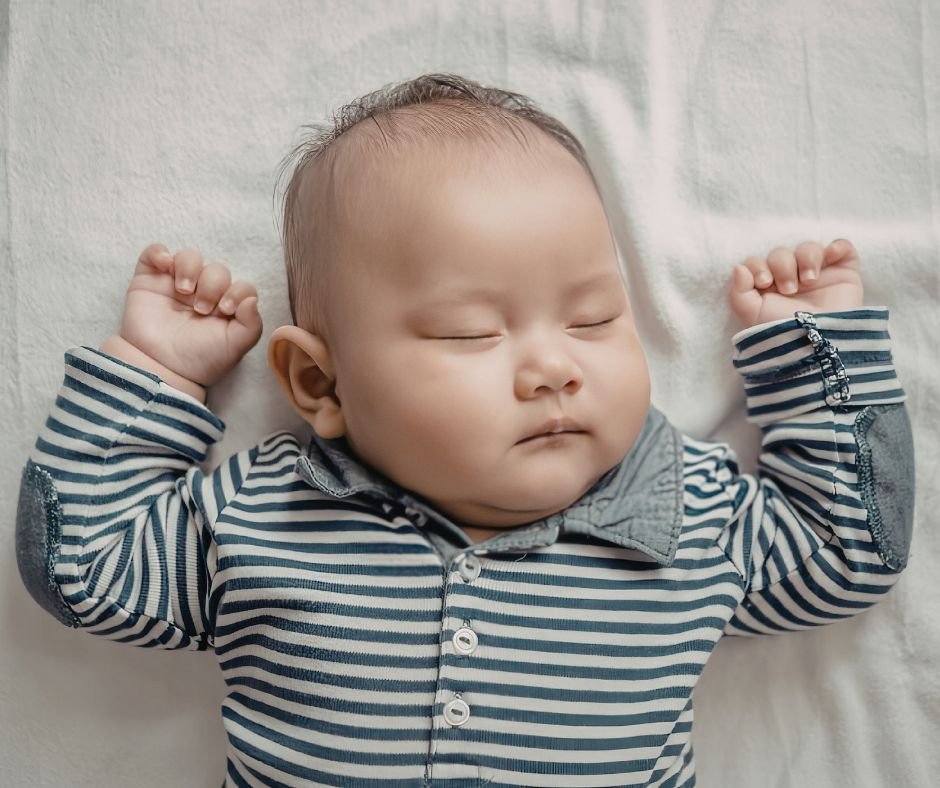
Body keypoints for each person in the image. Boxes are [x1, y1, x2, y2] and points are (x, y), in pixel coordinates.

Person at [15, 73, 914, 788]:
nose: (553, 367)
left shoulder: (685, 512)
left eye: (596, 319)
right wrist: (159, 371)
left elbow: (848, 548)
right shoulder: (263, 512)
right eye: (470, 334)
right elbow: (84, 568)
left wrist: (812, 352)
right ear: (320, 384)